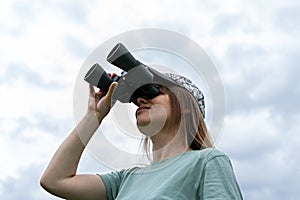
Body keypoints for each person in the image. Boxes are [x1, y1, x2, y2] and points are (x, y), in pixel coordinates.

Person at [40, 70, 243, 199]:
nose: (141, 101)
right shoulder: (126, 179)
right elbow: (55, 181)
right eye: (138, 99)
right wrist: (95, 115)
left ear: (186, 106)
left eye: (155, 92)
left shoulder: (207, 162)